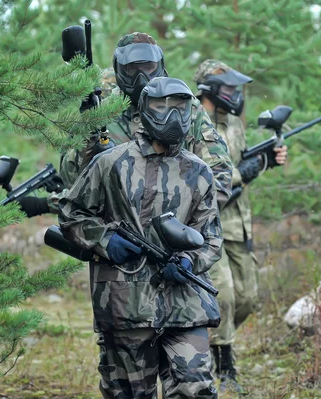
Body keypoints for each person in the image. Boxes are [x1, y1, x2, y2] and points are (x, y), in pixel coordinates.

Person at [57, 77, 222, 399]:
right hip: (125, 301)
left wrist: (189, 259)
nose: (172, 116)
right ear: (144, 111)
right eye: (162, 107)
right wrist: (105, 241)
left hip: (186, 301)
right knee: (129, 393)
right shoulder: (110, 163)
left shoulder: (199, 170)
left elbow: (211, 236)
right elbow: (71, 213)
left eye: (180, 107)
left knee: (195, 387)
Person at [16, 32, 233, 218]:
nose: (141, 77)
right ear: (120, 70)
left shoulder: (186, 109)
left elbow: (219, 179)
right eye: (132, 69)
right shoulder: (104, 112)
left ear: (159, 67)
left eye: (148, 67)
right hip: (114, 241)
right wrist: (89, 133)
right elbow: (72, 180)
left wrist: (178, 223)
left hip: (177, 241)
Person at [193, 59, 288, 393]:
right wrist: (239, 173)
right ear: (210, 90)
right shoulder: (194, 122)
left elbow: (244, 164)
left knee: (247, 298)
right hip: (207, 224)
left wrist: (266, 162)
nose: (234, 95)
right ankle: (225, 368)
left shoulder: (234, 123)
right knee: (225, 298)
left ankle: (204, 345)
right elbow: (200, 171)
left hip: (238, 222)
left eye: (236, 89)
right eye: (228, 89)